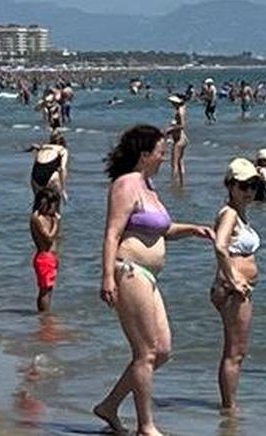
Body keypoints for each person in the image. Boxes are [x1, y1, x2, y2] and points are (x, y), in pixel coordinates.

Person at [94, 125, 213, 436]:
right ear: (145, 154)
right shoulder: (126, 185)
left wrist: (194, 229)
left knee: (162, 351)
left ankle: (109, 405)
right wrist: (107, 277)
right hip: (128, 271)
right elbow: (112, 233)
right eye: (160, 152)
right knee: (146, 352)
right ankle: (146, 426)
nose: (164, 157)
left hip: (148, 276)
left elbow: (163, 229)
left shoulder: (149, 187)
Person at [211, 158, 263, 411]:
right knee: (235, 352)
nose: (249, 191)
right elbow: (220, 246)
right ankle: (229, 409)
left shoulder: (239, 214)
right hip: (232, 289)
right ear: (230, 186)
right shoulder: (230, 214)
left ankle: (230, 406)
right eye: (243, 186)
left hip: (236, 288)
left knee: (236, 351)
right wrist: (234, 279)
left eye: (253, 185)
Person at [30, 188, 61, 312]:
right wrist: (56, 223)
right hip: (44, 257)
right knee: (44, 290)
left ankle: (45, 314)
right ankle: (44, 316)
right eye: (53, 205)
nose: (55, 209)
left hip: (49, 257)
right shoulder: (37, 218)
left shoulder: (47, 218)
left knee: (48, 289)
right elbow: (49, 238)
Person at [27, 132, 69, 199]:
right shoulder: (62, 150)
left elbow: (35, 146)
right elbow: (62, 168)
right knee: (55, 200)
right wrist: (63, 189)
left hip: (35, 176)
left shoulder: (44, 146)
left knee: (38, 201)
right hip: (51, 177)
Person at [166, 94, 188, 188]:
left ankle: (174, 184)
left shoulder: (179, 112)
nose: (172, 104)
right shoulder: (182, 109)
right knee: (180, 162)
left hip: (179, 139)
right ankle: (181, 184)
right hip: (182, 138)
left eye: (173, 102)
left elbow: (182, 125)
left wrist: (170, 129)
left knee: (174, 164)